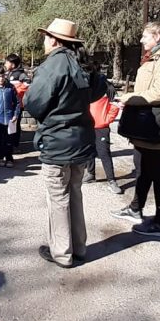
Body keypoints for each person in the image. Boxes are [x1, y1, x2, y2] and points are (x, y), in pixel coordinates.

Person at [23, 18, 105, 268]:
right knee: (75, 193)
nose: (44, 41)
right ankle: (78, 248)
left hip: (58, 141)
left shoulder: (52, 66)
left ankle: (62, 252)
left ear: (54, 40)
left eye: (46, 37)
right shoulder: (83, 63)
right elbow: (100, 90)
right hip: (81, 140)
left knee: (58, 198)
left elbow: (34, 103)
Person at [111, 21, 160, 238]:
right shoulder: (158, 56)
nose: (141, 40)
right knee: (143, 167)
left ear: (157, 36)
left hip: (155, 122)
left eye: (145, 36)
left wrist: (128, 98)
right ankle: (136, 208)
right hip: (146, 121)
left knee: (157, 171)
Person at [85, 63, 121, 192]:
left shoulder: (106, 86)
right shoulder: (85, 84)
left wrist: (106, 120)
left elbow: (116, 104)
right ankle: (90, 174)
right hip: (86, 124)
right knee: (88, 151)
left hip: (101, 126)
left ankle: (111, 180)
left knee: (104, 153)